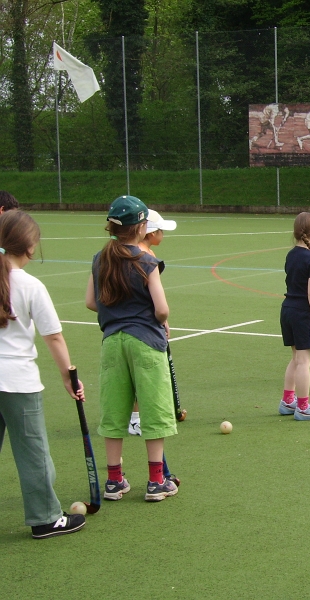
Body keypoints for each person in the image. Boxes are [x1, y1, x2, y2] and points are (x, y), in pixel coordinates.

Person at [85, 195, 179, 502]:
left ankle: (114, 481)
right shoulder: (147, 261)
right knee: (154, 408)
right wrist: (158, 319)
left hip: (112, 342)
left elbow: (90, 302)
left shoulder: (100, 258)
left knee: (114, 412)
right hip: (145, 343)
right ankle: (156, 481)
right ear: (141, 227)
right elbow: (162, 309)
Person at [0, 209, 87, 539]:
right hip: (18, 382)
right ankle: (45, 518)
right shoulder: (30, 285)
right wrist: (69, 376)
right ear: (31, 247)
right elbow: (53, 337)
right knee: (33, 453)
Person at [128, 209, 177, 436]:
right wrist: (161, 318)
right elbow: (156, 303)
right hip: (144, 326)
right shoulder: (146, 259)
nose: (163, 235)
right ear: (150, 233)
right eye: (160, 231)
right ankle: (137, 418)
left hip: (139, 322)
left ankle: (137, 416)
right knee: (143, 375)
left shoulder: (141, 253)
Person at [278, 212, 310, 420]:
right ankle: (303, 407)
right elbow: (309, 294)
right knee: (304, 362)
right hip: (302, 314)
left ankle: (288, 401)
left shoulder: (291, 254)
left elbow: (302, 288)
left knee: (296, 358)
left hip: (287, 310)